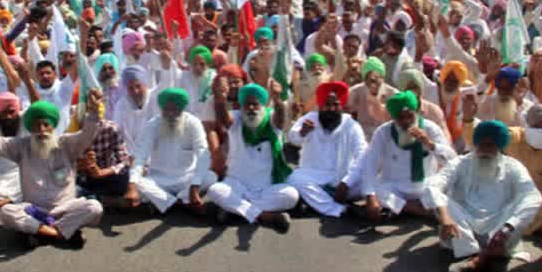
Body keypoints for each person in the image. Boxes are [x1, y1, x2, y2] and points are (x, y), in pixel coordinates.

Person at [0, 91, 105, 249]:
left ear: (52, 126)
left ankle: (41, 233)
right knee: (6, 212)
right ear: (30, 128)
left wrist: (94, 112)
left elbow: (87, 135)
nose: (41, 130)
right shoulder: (21, 147)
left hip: (64, 208)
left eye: (45, 125)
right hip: (34, 211)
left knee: (94, 207)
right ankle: (59, 233)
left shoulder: (66, 145)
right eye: (36, 126)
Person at [422, 120, 542, 272]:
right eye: (482, 144)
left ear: (500, 147)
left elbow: (532, 196)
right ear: (476, 144)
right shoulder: (460, 163)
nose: (485, 149)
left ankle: (477, 261)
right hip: (463, 230)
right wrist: (445, 217)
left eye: (491, 145)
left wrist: (508, 227)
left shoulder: (513, 166)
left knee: (529, 199)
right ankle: (489, 259)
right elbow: (434, 186)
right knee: (439, 198)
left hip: (499, 231)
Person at [463, 102, 542, 235]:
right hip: (509, 195)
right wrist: (468, 119)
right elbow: (475, 140)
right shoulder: (512, 136)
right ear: (527, 123)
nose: (540, 130)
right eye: (536, 125)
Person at [207, 83, 299, 232]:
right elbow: (224, 118)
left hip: (266, 187)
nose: (251, 108)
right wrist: (220, 99)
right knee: (215, 190)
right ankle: (266, 216)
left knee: (291, 196)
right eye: (247, 104)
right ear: (241, 106)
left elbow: (281, 119)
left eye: (255, 104)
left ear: (262, 106)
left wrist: (277, 99)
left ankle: (235, 209)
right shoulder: (236, 118)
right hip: (237, 185)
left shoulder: (270, 118)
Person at [358, 91, 455, 221]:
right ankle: (415, 208)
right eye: (400, 118)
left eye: (409, 116)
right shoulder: (383, 132)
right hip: (395, 188)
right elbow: (370, 163)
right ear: (392, 117)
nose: (406, 121)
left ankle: (403, 208)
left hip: (424, 187)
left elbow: (452, 161)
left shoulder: (431, 128)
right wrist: (370, 198)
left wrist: (430, 144)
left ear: (416, 112)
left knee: (439, 189)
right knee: (375, 188)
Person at [124, 88, 216, 215]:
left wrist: (194, 187)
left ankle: (166, 202)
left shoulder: (193, 123)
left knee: (211, 177)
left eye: (175, 110)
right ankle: (182, 203)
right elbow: (140, 156)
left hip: (186, 179)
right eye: (167, 110)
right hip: (159, 179)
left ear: (183, 109)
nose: (171, 114)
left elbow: (203, 154)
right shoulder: (152, 125)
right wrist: (132, 187)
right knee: (137, 182)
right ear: (161, 109)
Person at [286, 82, 367, 217]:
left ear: (341, 106)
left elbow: (362, 154)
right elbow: (293, 138)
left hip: (343, 178)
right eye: (327, 105)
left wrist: (346, 182)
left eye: (335, 105)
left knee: (373, 181)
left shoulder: (351, 125)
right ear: (320, 106)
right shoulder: (310, 119)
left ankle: (318, 201)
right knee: (293, 179)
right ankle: (340, 210)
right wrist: (303, 132)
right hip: (315, 176)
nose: (331, 109)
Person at [346, 57, 397, 140]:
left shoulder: (393, 94)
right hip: (362, 136)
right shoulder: (355, 91)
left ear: (382, 77)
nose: (373, 82)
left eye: (376, 78)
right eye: (369, 78)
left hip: (386, 137)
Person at [112, 64, 157, 157]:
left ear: (145, 84)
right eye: (131, 88)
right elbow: (118, 135)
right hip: (131, 160)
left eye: (138, 86)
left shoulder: (155, 100)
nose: (135, 91)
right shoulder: (121, 106)